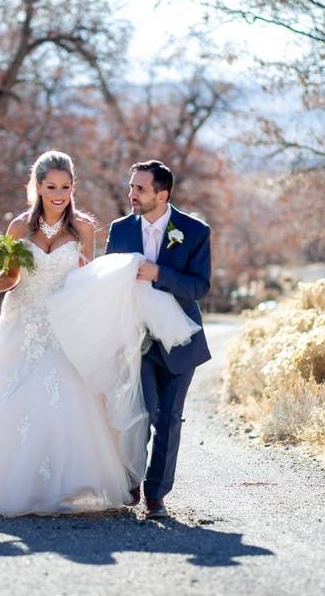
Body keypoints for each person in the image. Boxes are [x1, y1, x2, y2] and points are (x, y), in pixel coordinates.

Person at [0, 151, 199, 517]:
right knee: (11, 401)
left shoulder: (84, 229)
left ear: (73, 187)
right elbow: (11, 277)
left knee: (65, 404)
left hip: (63, 325)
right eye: (50, 186)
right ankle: (13, 485)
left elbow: (87, 280)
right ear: (37, 187)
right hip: (22, 322)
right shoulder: (18, 228)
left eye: (65, 186)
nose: (58, 193)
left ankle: (60, 485)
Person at [105, 160, 211, 519]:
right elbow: (107, 283)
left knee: (169, 417)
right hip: (136, 338)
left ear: (161, 195)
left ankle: (156, 494)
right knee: (141, 412)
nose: (131, 194)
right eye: (131, 186)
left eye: (139, 189)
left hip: (180, 338)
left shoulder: (195, 232)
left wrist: (159, 274)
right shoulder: (119, 230)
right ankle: (131, 478)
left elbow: (200, 286)